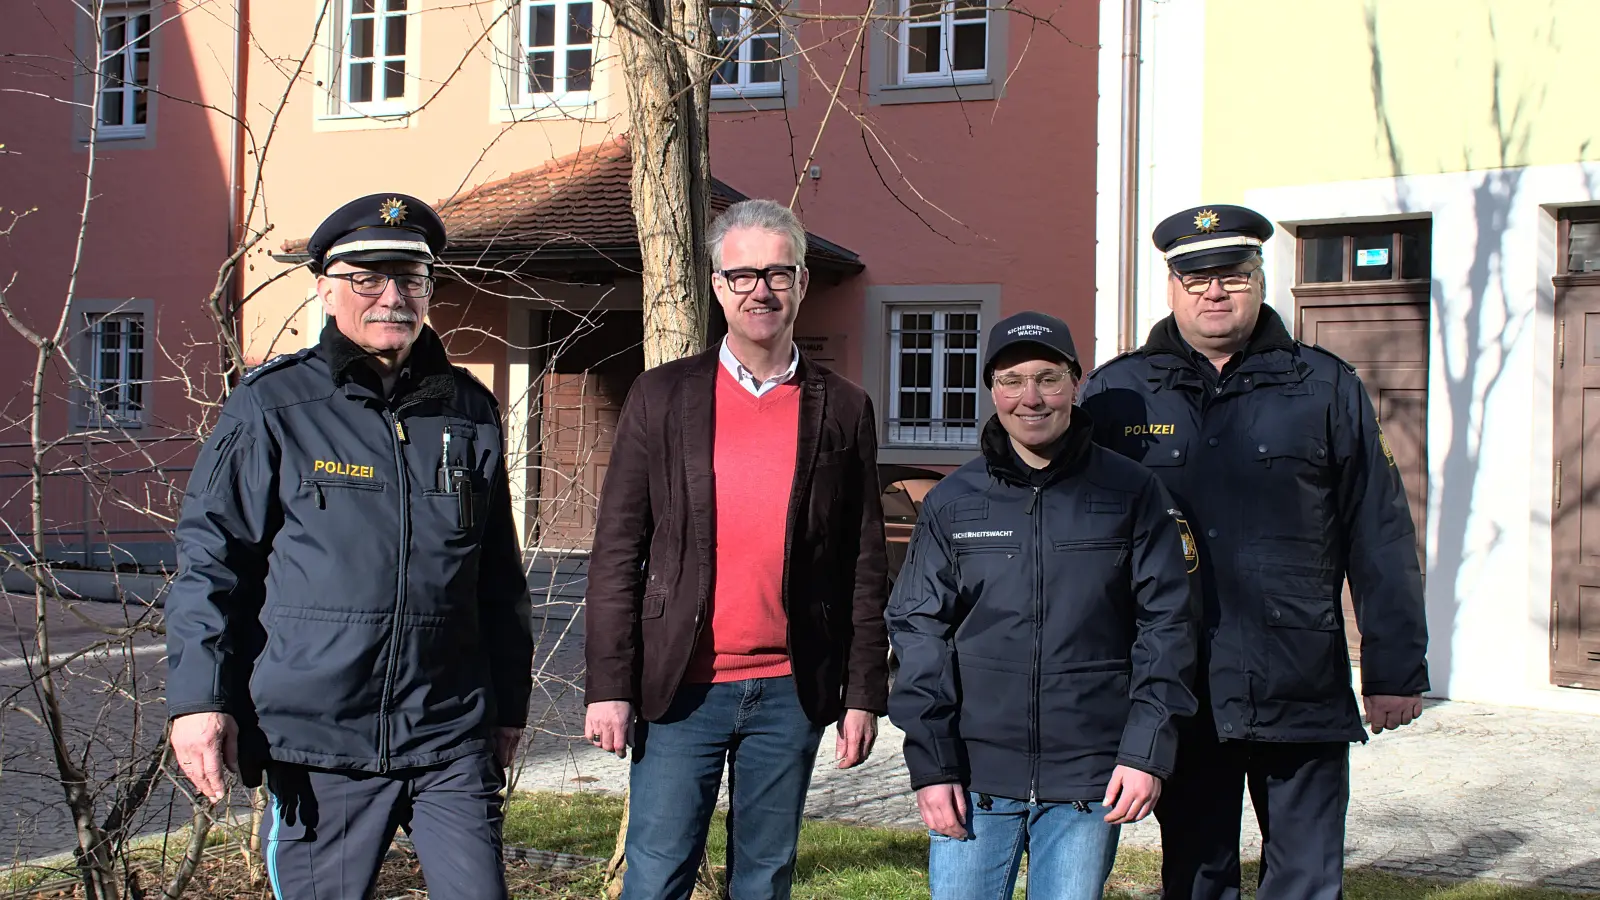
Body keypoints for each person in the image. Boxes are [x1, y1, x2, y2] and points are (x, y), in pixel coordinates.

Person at [166, 193, 533, 900]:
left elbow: (497, 579)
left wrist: (508, 705)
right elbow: (213, 562)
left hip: (448, 729)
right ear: (326, 287)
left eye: (411, 278)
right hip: (318, 739)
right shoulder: (273, 409)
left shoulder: (468, 410)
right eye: (367, 277)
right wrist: (198, 700)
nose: (392, 296)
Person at [1079, 204, 1430, 900]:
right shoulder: (1117, 393)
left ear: (1260, 279)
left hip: (1298, 681)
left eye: (1233, 275)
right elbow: (1079, 541)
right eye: (1197, 277)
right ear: (1173, 286)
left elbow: (1380, 531)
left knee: (1305, 880)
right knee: (1197, 875)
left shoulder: (1325, 387)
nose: (1216, 291)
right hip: (1182, 684)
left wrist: (1396, 667)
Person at [583, 199, 890, 900]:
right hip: (681, 687)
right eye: (743, 274)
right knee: (657, 874)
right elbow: (616, 551)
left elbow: (863, 563)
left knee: (766, 876)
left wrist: (864, 692)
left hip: (790, 689)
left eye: (778, 273)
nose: (761, 290)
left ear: (802, 283)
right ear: (718, 285)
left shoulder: (843, 407)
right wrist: (607, 684)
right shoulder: (662, 397)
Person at [887, 311, 1201, 900]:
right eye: (1011, 380)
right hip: (973, 781)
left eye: (1047, 377)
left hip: (1088, 781)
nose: (1030, 397)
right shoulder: (954, 502)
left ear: (1075, 383)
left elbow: (1169, 628)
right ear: (991, 390)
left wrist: (1145, 753)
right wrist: (933, 766)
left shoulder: (1132, 492)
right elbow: (917, 632)